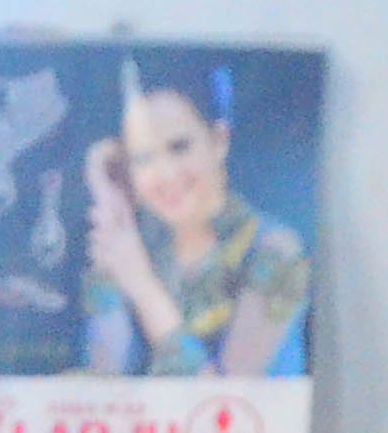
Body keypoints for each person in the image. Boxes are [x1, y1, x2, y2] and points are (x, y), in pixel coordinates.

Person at [81, 58, 310, 381]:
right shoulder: (138, 248)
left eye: (179, 147)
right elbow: (101, 382)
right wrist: (110, 202)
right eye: (143, 158)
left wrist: (143, 287)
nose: (165, 175)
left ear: (218, 141)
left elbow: (227, 404)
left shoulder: (274, 250)